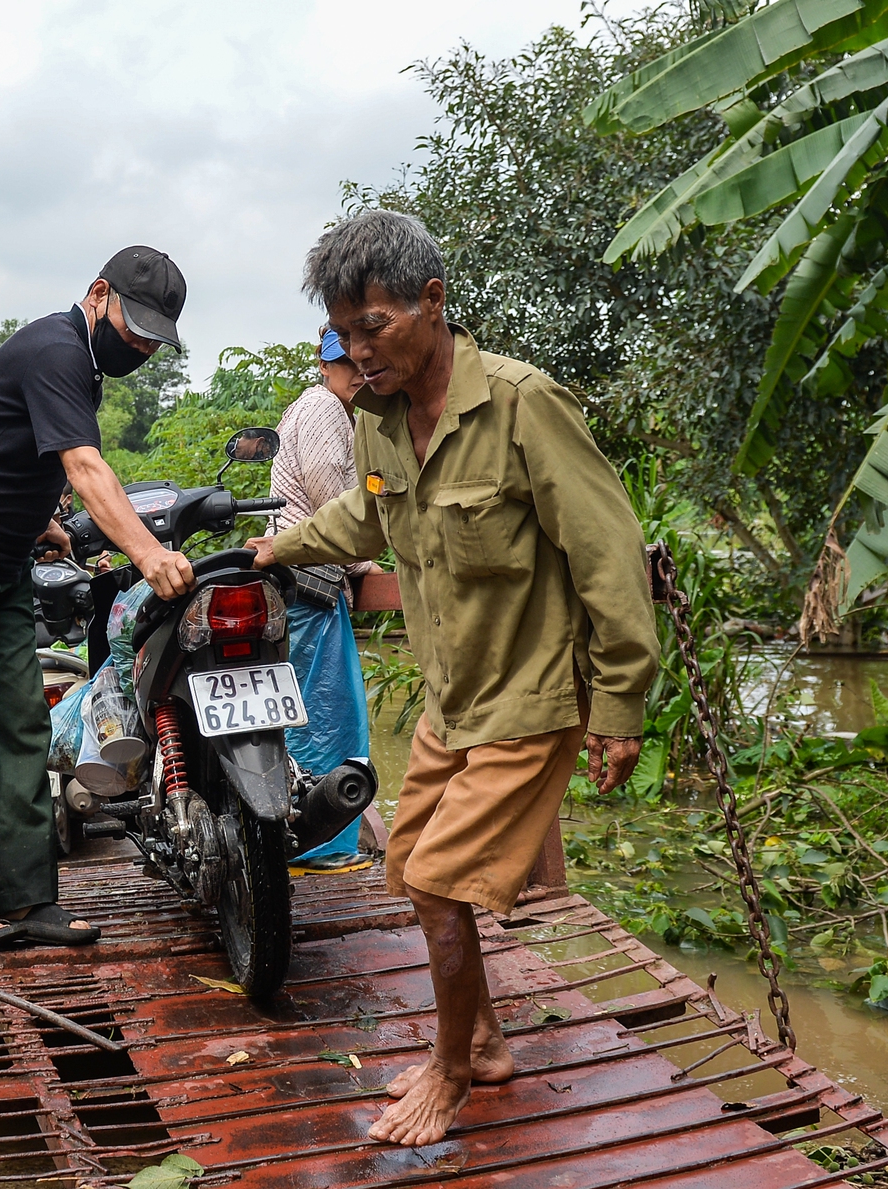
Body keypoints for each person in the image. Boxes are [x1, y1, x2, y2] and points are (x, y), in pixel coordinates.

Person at [247, 212, 658, 1146]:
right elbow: (367, 513)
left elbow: (608, 554)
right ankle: (486, 1041)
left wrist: (621, 704)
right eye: (341, 334)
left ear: (434, 301)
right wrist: (279, 546)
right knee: (406, 862)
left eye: (374, 325)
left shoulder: (522, 403)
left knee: (437, 883)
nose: (357, 351)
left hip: (532, 695)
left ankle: (448, 1071)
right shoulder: (382, 421)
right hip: (452, 699)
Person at [0, 246, 196, 953]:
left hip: (1, 561)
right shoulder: (55, 346)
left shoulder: (83, 367)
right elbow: (84, 464)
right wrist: (148, 554)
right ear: (97, 294)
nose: (140, 344)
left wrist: (43, 524)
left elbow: (13, 450)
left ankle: (28, 899)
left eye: (153, 338)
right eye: (135, 324)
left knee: (19, 726)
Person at [271, 327, 377, 871]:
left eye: (361, 363)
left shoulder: (335, 411)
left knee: (317, 706)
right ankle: (317, 844)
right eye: (346, 364)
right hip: (310, 575)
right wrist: (365, 561)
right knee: (321, 711)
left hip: (309, 574)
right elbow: (331, 497)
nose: (357, 373)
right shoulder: (321, 409)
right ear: (324, 364)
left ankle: (307, 838)